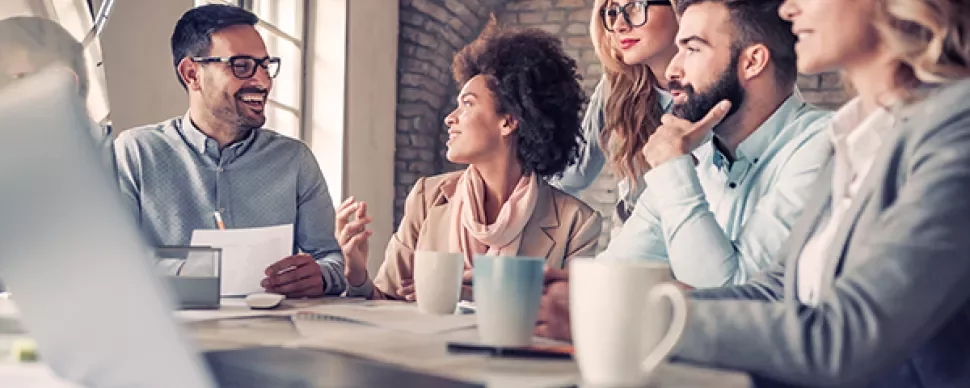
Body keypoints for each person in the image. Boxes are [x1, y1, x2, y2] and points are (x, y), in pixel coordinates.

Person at [539, 0, 970, 384]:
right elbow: (773, 291)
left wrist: (627, 318)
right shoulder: (853, 134)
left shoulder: (956, 127)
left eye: (692, 47)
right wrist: (593, 296)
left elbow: (847, 336)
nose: (788, 9)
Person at [338, 21, 602, 301]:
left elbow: (570, 323)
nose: (450, 118)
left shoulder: (576, 223)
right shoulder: (427, 198)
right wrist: (355, 273)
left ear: (509, 121)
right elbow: (385, 303)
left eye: (467, 103)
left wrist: (477, 297)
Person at [113, 4, 345, 297]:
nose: (262, 81)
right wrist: (205, 271)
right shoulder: (135, 153)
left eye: (265, 65)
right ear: (191, 74)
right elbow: (112, 261)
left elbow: (331, 259)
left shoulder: (295, 161)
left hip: (274, 336)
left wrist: (320, 276)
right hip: (169, 337)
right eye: (242, 66)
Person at [597, 0, 832, 288]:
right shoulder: (695, 155)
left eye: (692, 49)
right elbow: (613, 272)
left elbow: (731, 298)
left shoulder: (826, 147)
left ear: (752, 62)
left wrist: (672, 169)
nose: (672, 69)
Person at [552, 0, 678, 228]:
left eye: (636, 6)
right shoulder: (617, 87)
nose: (620, 25)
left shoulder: (719, 84)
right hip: (630, 247)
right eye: (612, 11)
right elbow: (575, 172)